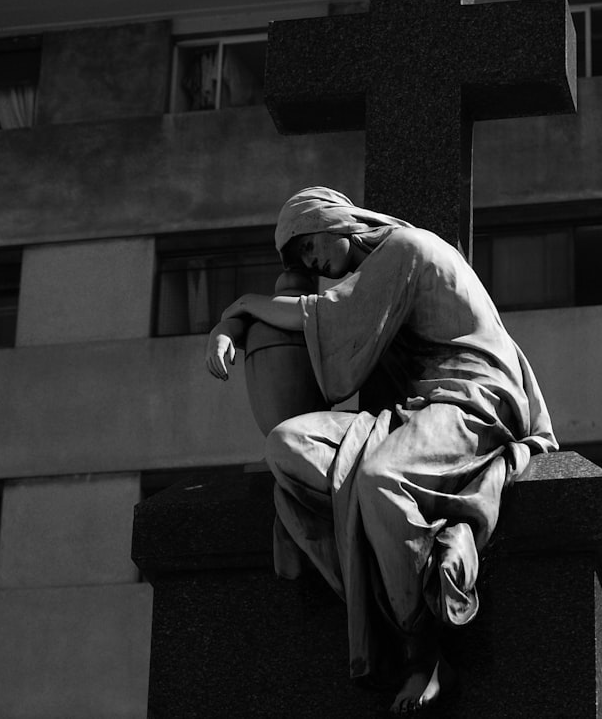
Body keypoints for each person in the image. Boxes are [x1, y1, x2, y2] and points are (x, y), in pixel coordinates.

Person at [205, 187, 556, 713]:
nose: (312, 261)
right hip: (417, 408)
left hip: (472, 401)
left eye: (309, 244)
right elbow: (319, 317)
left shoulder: (406, 249)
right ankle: (389, 571)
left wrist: (240, 307)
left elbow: (325, 317)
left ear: (334, 219)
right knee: (286, 446)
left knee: (378, 478)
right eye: (301, 258)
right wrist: (234, 326)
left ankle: (425, 654)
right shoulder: (370, 278)